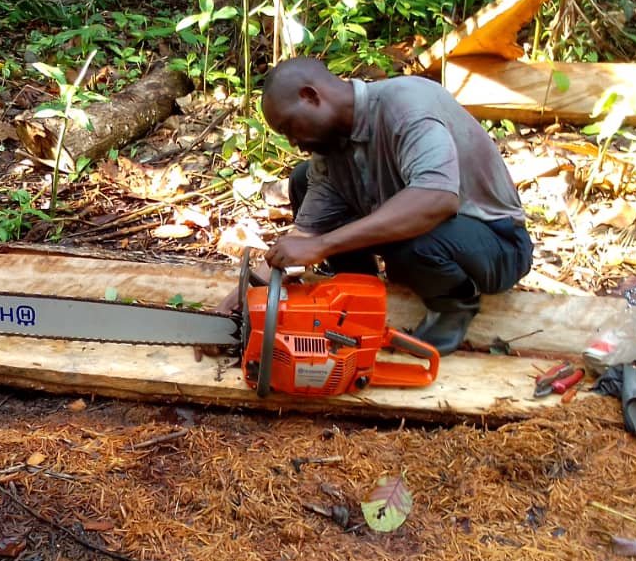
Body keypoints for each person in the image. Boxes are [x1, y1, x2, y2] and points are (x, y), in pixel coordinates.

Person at [219, 57, 533, 354]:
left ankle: (454, 306)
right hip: (433, 235)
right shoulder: (330, 155)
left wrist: (323, 246)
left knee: (407, 237)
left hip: (497, 243)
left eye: (290, 128)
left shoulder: (407, 104)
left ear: (311, 96)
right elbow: (305, 235)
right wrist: (246, 295)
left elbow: (437, 199)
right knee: (302, 178)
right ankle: (359, 296)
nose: (292, 142)